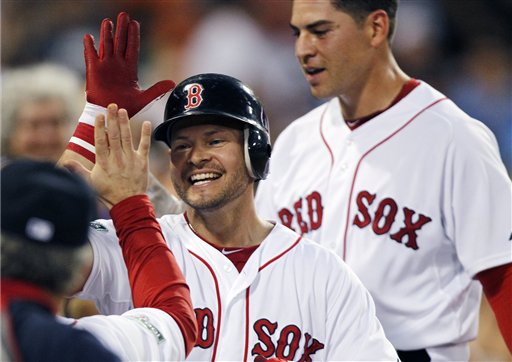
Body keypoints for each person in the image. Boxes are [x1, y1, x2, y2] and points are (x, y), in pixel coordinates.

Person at [58, 11, 399, 360]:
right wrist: (92, 118)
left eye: (214, 140)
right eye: (181, 146)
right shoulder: (133, 244)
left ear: (256, 150)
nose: (195, 157)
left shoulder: (323, 274)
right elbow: (30, 247)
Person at [254, 1, 512, 361]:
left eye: (321, 31)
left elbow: (503, 276)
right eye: (298, 33)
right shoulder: (296, 141)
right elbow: (254, 258)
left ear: (375, 28)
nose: (302, 49)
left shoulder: (455, 139)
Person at [1, 116, 197, 361]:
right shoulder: (75, 347)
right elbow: (175, 323)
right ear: (77, 268)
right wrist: (131, 207)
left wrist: (93, 114)